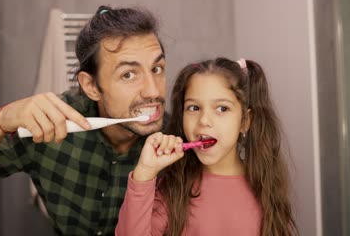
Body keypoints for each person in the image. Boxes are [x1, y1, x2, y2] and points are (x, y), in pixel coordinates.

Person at [0, 5, 168, 235]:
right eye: (128, 74)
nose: (153, 91)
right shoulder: (48, 126)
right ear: (91, 86)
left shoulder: (179, 138)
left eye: (157, 69)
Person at [116, 58, 299, 235]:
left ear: (245, 121)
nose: (204, 120)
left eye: (222, 109)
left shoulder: (266, 191)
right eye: (194, 108)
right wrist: (145, 173)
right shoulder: (174, 189)